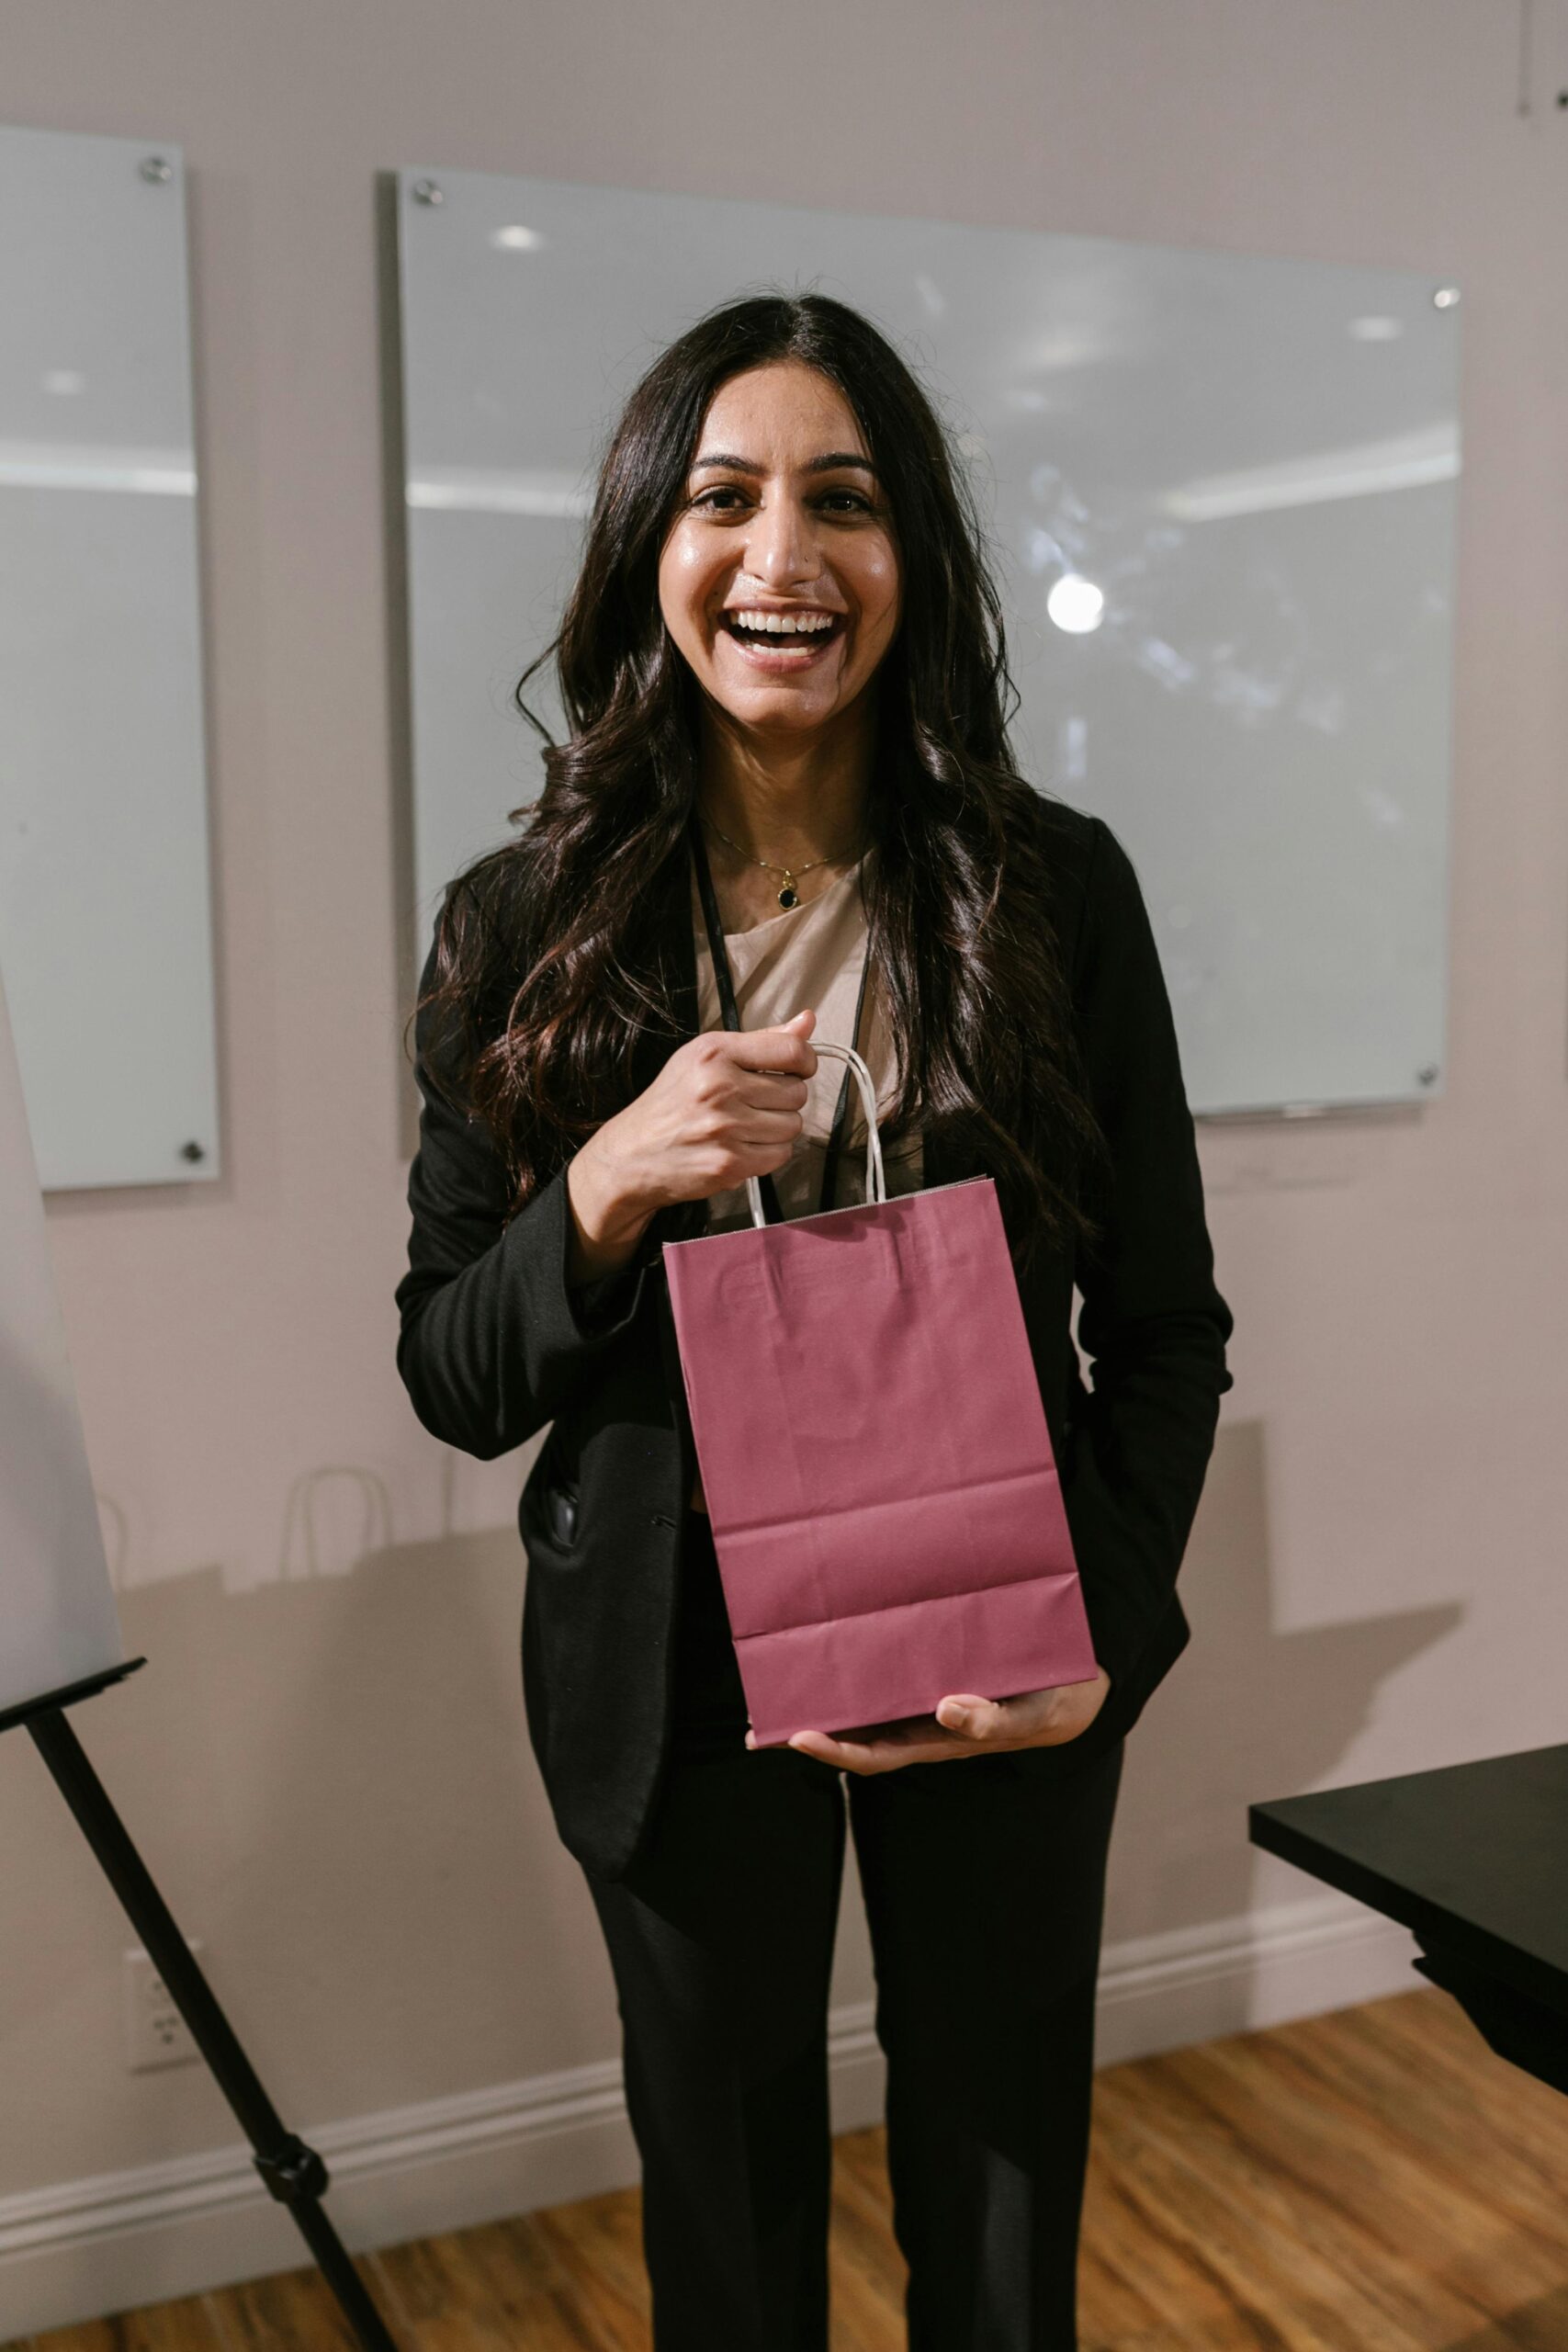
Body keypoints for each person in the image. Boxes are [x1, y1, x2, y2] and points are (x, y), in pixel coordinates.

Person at [394, 289, 1234, 2352]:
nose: (780, 557)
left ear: (911, 556)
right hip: (666, 1673)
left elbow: (1165, 1327)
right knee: (731, 2236)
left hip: (994, 1633)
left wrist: (1100, 1649)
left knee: (1002, 2204)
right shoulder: (527, 925)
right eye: (721, 497)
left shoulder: (1053, 890)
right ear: (643, 551)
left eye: (839, 501)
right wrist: (607, 1177)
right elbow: (449, 1367)